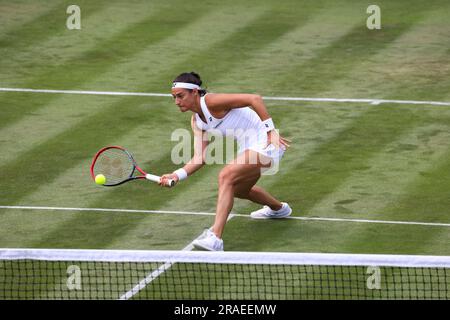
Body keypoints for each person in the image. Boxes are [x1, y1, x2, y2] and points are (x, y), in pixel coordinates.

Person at [160, 72, 292, 251]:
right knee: (238, 190)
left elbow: (254, 99)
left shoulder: (211, 102)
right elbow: (200, 157)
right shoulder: (197, 122)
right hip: (248, 146)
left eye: (180, 96)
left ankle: (215, 238)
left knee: (226, 176)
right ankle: (279, 209)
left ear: (195, 92)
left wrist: (271, 131)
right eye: (174, 97)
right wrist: (176, 175)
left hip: (268, 143)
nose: (177, 101)